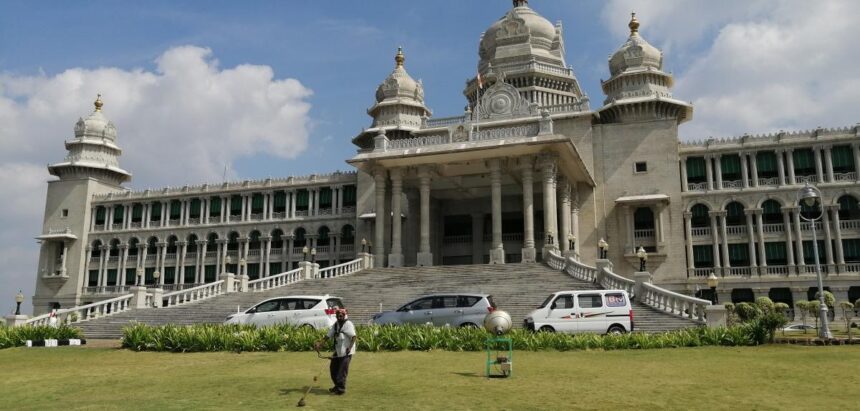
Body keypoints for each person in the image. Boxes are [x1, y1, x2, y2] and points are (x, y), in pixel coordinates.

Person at [314, 308, 356, 395]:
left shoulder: (348, 324)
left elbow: (353, 337)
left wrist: (349, 347)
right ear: (336, 316)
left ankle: (341, 389)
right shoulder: (336, 325)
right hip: (338, 350)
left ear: (344, 315)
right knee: (333, 369)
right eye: (338, 316)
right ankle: (337, 386)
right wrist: (320, 344)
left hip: (346, 352)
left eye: (341, 315)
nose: (339, 317)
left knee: (342, 371)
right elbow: (328, 336)